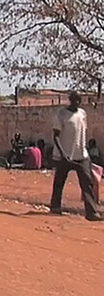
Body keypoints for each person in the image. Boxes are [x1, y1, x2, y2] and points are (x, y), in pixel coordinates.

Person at [50, 91, 102, 221]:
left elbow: (82, 133)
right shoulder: (61, 114)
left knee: (87, 183)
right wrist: (62, 154)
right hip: (64, 155)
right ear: (70, 100)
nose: (76, 103)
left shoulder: (82, 113)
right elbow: (56, 136)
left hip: (81, 155)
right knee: (59, 182)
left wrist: (87, 152)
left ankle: (92, 212)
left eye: (79, 100)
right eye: (74, 100)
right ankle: (55, 207)